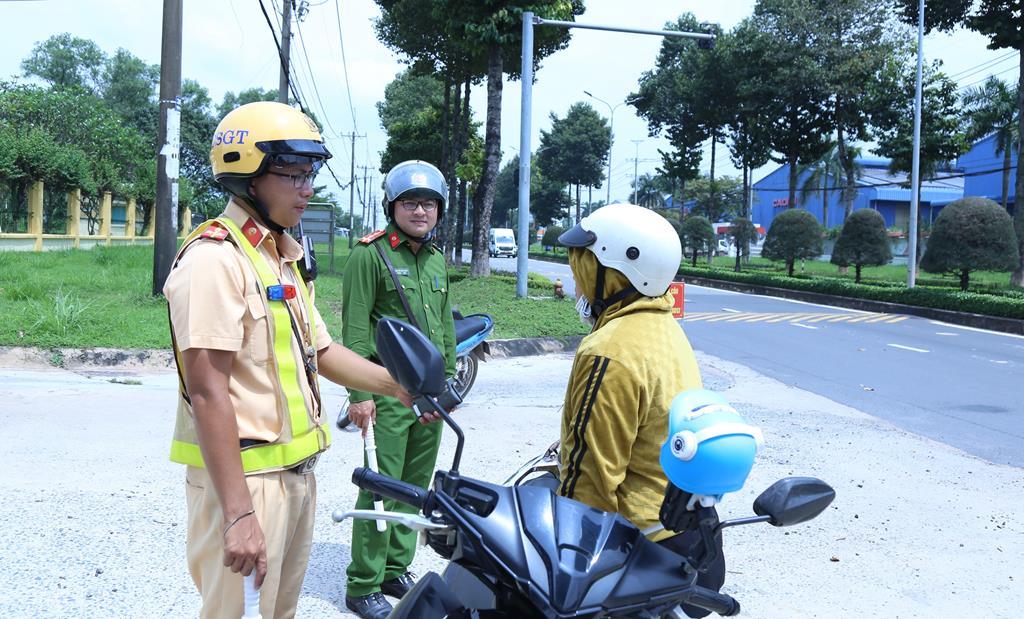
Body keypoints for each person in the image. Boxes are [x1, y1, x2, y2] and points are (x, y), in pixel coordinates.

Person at [164, 101, 411, 619]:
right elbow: (207, 391)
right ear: (248, 176)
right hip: (246, 484)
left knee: (279, 613)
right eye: (293, 175)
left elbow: (319, 351)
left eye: (311, 174)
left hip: (296, 477)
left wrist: (399, 386)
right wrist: (237, 515)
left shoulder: (280, 254)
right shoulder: (214, 259)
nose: (307, 188)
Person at [556, 203, 726, 619]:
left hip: (640, 552)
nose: (577, 286)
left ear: (616, 272)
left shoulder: (610, 349)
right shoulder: (663, 326)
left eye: (583, 270)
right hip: (692, 539)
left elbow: (591, 483)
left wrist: (566, 569)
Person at [341, 160, 457, 619]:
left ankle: (394, 566)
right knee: (379, 487)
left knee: (414, 485)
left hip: (429, 393)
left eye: (428, 203)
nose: (420, 211)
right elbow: (353, 329)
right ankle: (363, 582)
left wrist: (447, 384)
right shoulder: (369, 255)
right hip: (386, 389)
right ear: (393, 206)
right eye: (410, 202)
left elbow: (445, 327)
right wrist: (359, 394)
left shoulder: (434, 259)